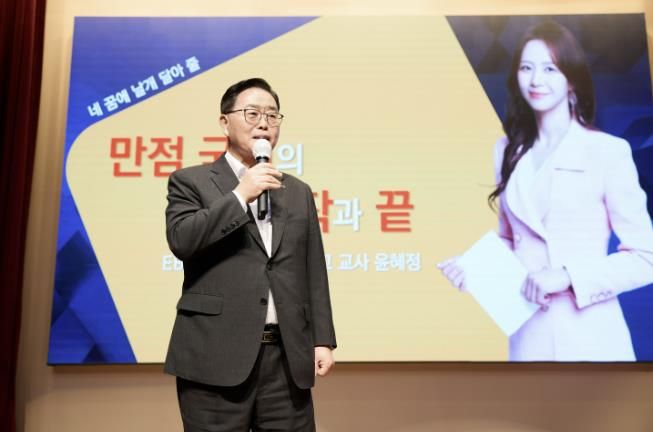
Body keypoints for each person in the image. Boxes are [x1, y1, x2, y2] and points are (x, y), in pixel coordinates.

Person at [438, 21, 653, 361]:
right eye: (526, 68)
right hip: (528, 337)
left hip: (592, 336)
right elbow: (512, 240)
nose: (536, 80)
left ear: (572, 79)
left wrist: (567, 277)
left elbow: (645, 257)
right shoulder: (505, 150)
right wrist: (474, 268)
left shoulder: (608, 151)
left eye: (550, 69)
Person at [164, 78, 336, 430]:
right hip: (214, 355)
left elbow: (312, 269)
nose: (264, 124)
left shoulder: (297, 191)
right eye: (252, 113)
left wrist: (322, 339)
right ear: (224, 122)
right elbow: (182, 240)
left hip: (286, 359)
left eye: (272, 115)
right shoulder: (190, 181)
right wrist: (240, 195)